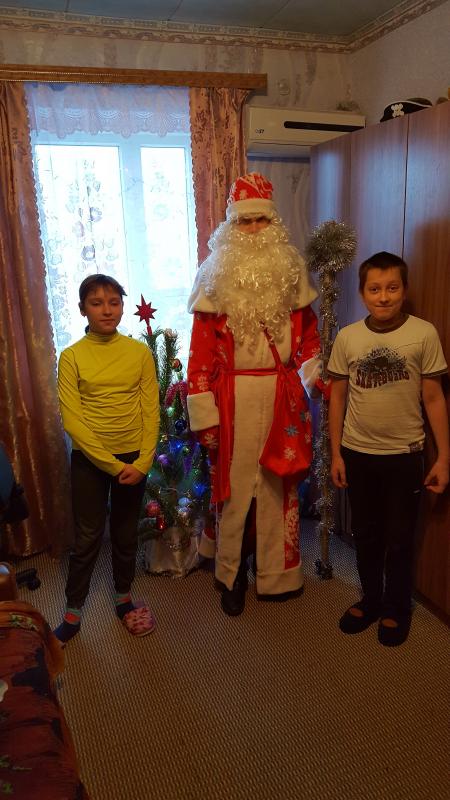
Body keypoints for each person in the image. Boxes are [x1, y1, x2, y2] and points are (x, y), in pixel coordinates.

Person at [187, 172, 323, 615]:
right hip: (232, 400)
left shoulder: (291, 272)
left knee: (278, 485)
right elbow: (200, 355)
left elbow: (308, 340)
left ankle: (277, 572)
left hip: (281, 396)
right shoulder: (213, 277)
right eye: (244, 222)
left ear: (273, 223)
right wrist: (205, 414)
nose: (252, 230)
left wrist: (317, 381)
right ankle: (233, 572)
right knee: (235, 490)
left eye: (260, 220)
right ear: (231, 226)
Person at [328, 251, 449, 646]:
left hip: (405, 455)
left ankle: (397, 607)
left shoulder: (423, 333)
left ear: (404, 290)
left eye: (392, 288)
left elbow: (433, 397)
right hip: (357, 453)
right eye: (375, 289)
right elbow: (337, 398)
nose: (383, 297)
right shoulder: (348, 337)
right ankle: (371, 599)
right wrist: (336, 453)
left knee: (399, 538)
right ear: (363, 293)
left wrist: (444, 457)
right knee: (366, 534)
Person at [54, 274, 160, 643]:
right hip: (90, 460)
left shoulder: (139, 353)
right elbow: (73, 421)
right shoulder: (71, 357)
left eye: (114, 302)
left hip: (134, 459)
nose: (107, 310)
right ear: (82, 308)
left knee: (126, 532)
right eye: (97, 303)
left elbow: (151, 410)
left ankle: (123, 597)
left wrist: (143, 462)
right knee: (87, 537)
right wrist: (114, 467)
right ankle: (73, 610)